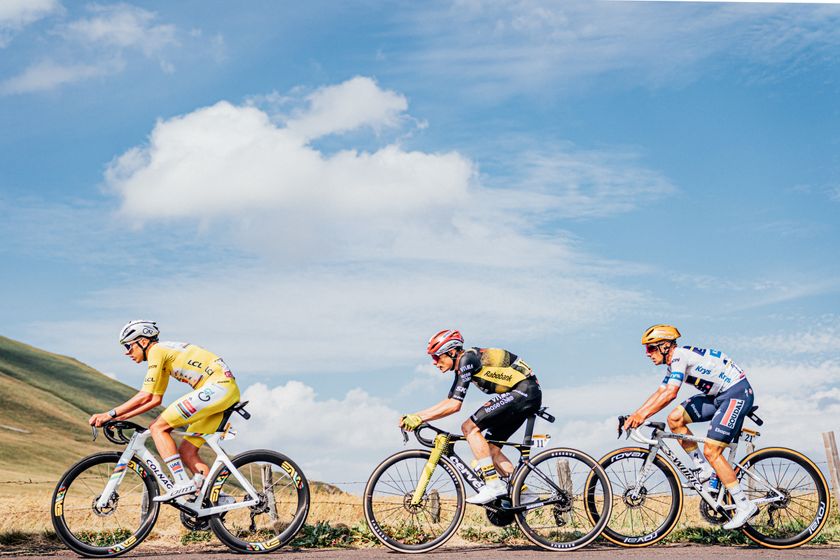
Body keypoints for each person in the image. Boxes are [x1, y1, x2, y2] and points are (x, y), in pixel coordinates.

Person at [88, 320, 240, 502]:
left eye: (128, 346)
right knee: (187, 451)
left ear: (143, 342)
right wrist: (121, 417)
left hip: (217, 388)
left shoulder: (157, 351)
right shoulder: (164, 354)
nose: (126, 352)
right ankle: (215, 500)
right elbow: (154, 399)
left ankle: (182, 483)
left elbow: (145, 395)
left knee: (158, 427)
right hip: (223, 391)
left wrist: (109, 414)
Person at [623, 324, 757, 529]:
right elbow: (660, 392)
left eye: (650, 348)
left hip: (735, 393)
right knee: (675, 419)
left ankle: (744, 505)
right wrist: (636, 414)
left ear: (665, 346)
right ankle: (702, 468)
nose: (647, 354)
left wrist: (642, 416)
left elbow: (670, 394)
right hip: (717, 396)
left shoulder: (679, 356)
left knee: (712, 451)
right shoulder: (673, 363)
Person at [399, 329, 542, 504]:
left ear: (451, 352)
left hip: (524, 392)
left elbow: (454, 406)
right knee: (490, 451)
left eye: (437, 357)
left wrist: (421, 418)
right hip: (525, 394)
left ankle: (494, 485)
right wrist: (416, 415)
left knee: (469, 427)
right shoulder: (466, 362)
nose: (434, 363)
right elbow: (450, 400)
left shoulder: (467, 359)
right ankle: (524, 493)